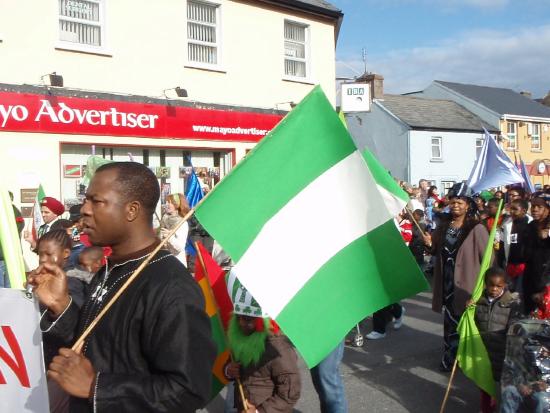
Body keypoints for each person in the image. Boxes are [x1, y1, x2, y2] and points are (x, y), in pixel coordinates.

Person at [27, 161, 216, 412]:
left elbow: (189, 389)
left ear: (132, 210)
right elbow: (99, 346)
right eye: (86, 200)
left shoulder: (171, 286)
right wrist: (61, 307)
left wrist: (97, 387)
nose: (84, 209)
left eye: (97, 201)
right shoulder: (110, 269)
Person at [424, 194, 489, 371]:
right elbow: (435, 251)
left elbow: (488, 261)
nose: (455, 206)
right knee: (450, 321)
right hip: (447, 282)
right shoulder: (444, 227)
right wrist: (429, 243)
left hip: (467, 283)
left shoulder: (476, 228)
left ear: (468, 206)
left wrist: (482, 290)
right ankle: (450, 357)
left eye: (460, 203)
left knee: (466, 323)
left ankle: (468, 360)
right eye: (452, 202)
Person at [224, 277, 300, 413]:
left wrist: (259, 411)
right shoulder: (241, 337)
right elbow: (230, 362)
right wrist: (228, 370)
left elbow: (290, 392)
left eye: (247, 319)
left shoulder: (278, 347)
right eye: (238, 317)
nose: (241, 323)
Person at [471, 267, 522, 412]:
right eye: (491, 285)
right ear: (485, 284)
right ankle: (486, 409)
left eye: (498, 286)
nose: (494, 289)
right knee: (485, 384)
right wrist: (468, 309)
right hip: (484, 351)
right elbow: (471, 323)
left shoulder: (511, 303)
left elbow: (515, 327)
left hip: (502, 354)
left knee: (505, 387)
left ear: (505, 285)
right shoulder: (478, 301)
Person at [523, 197, 550, 313]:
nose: (535, 209)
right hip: (531, 275)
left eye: (540, 207)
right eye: (533, 206)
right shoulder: (530, 226)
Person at [499, 199, 530, 297]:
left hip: (523, 265)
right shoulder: (507, 223)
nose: (511, 212)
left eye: (515, 209)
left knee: (519, 293)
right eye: (510, 209)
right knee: (509, 292)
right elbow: (502, 242)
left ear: (524, 211)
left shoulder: (529, 225)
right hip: (510, 264)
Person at [159, 193, 190, 266]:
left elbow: (180, 247)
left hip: (177, 264)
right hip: (164, 262)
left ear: (177, 205)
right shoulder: (164, 220)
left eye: (170, 203)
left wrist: (169, 237)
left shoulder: (182, 223)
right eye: (167, 202)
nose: (167, 204)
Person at [0, 196, 25, 288]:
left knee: (10, 286)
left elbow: (18, 227)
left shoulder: (13, 211)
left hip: (10, 256)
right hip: (4, 256)